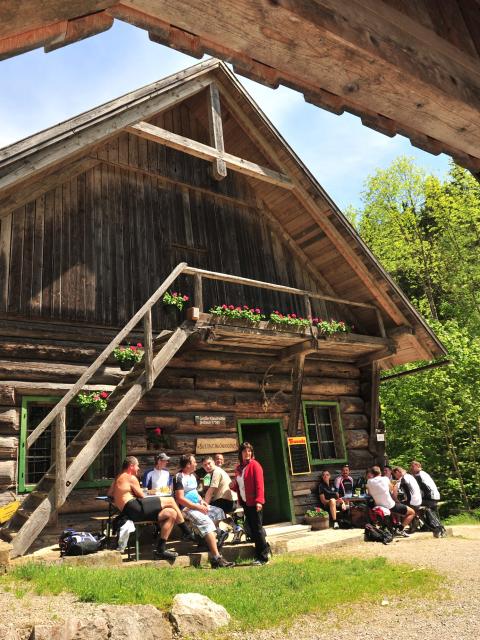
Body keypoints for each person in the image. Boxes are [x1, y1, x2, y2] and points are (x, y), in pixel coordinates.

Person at [108, 456, 180, 559]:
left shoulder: (118, 477)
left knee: (171, 513)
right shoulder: (131, 477)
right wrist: (133, 494)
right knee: (170, 501)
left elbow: (110, 494)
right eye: (137, 466)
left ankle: (161, 549)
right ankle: (186, 531)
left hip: (130, 511)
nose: (138, 468)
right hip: (136, 510)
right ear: (131, 466)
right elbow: (142, 495)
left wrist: (123, 496)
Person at [174, 454, 233, 568]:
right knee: (207, 523)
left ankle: (209, 540)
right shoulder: (179, 477)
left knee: (218, 511)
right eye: (194, 462)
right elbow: (180, 499)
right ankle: (216, 558)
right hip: (186, 508)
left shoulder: (192, 476)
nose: (196, 464)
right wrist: (198, 507)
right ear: (188, 465)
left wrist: (202, 502)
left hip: (197, 505)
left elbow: (194, 493)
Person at [231, 441, 270, 565]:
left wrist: (259, 501)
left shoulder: (255, 465)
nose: (247, 453)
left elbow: (260, 485)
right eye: (244, 451)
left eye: (249, 451)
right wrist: (233, 486)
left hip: (255, 502)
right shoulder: (239, 468)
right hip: (246, 502)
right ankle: (262, 551)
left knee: (257, 529)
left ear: (251, 453)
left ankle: (263, 557)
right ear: (240, 453)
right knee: (253, 529)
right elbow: (240, 484)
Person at [366, 465, 415, 536]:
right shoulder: (385, 479)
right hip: (390, 505)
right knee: (412, 512)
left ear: (372, 474)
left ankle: (395, 526)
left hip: (378, 505)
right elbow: (392, 489)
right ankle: (400, 529)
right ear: (380, 472)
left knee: (398, 508)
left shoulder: (369, 481)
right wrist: (395, 485)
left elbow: (369, 493)